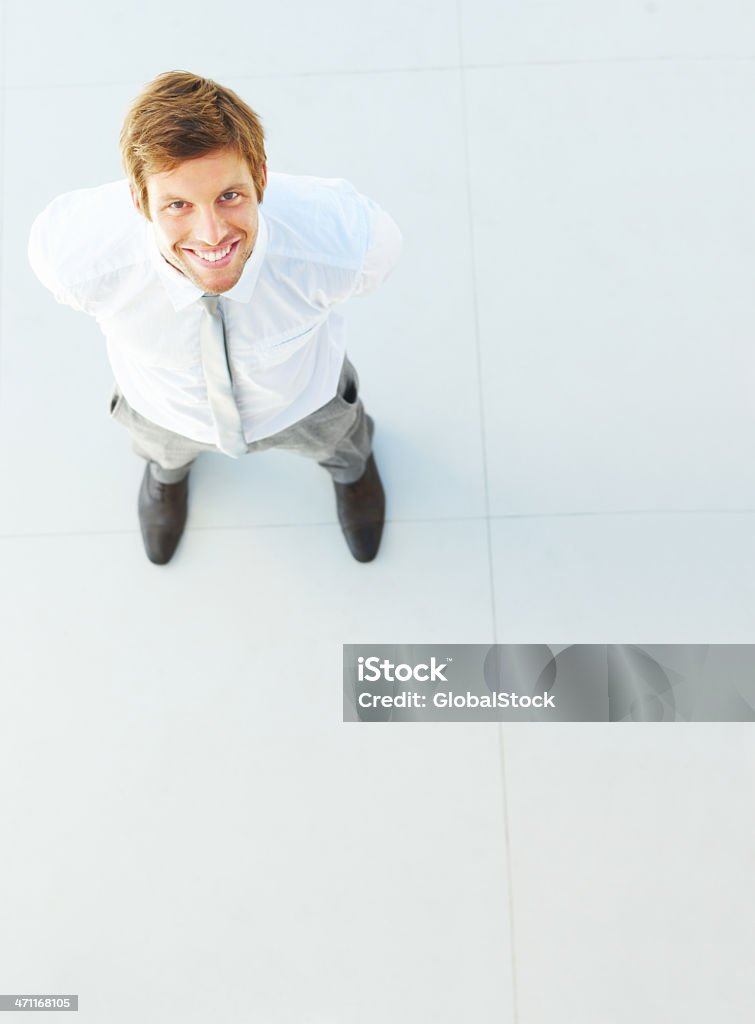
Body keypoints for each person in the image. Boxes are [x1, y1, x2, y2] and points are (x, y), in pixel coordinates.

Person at [28, 70, 402, 566]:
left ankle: (351, 472)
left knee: (344, 443)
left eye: (230, 196)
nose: (210, 234)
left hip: (305, 400)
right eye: (179, 204)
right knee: (162, 451)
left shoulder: (344, 244)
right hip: (162, 408)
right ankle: (167, 476)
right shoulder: (77, 262)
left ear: (261, 179)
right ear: (139, 201)